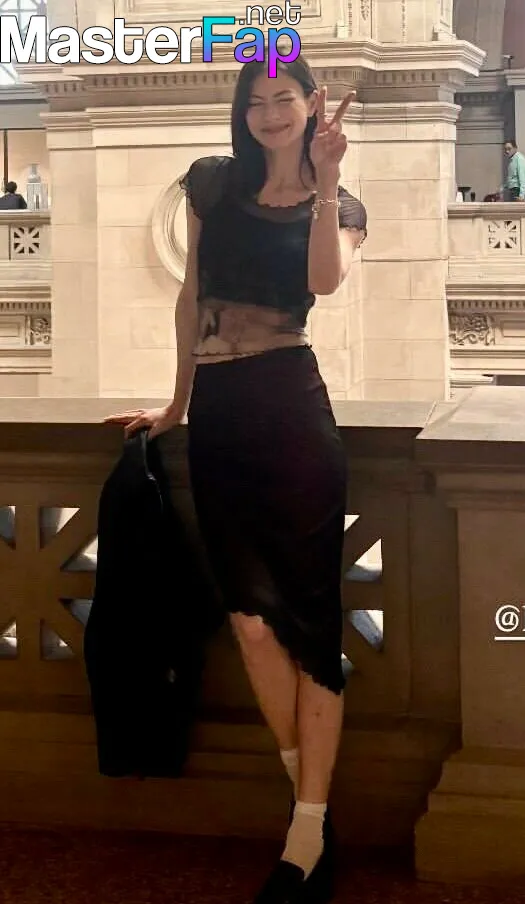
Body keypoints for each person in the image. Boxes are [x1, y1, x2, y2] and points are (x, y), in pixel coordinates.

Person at [103, 56, 367, 904]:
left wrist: (325, 178)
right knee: (252, 626)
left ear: (310, 105)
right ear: (241, 112)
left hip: (291, 415)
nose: (268, 114)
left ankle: (305, 831)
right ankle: (312, 810)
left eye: (283, 99)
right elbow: (191, 297)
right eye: (255, 102)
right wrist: (177, 404)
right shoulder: (212, 184)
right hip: (219, 418)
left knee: (309, 626)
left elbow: (323, 281)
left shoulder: (340, 207)